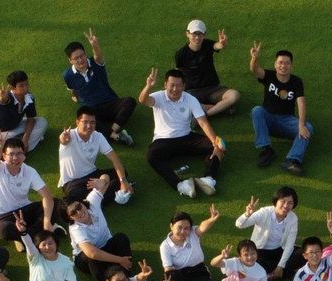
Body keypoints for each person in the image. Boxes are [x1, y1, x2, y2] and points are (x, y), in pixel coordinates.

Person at [139, 68, 224, 198]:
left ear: (184, 86)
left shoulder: (190, 99)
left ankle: (208, 179)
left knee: (218, 147)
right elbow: (142, 100)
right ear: (165, 85)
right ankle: (181, 185)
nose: (175, 89)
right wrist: (148, 86)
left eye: (178, 85)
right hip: (163, 140)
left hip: (187, 137)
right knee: (152, 156)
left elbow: (203, 122)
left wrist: (214, 141)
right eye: (172, 85)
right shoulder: (158, 96)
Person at [63, 29, 136, 144]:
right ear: (70, 60)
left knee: (130, 102)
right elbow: (73, 89)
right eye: (76, 58)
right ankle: (117, 136)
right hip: (93, 110)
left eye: (82, 55)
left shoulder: (95, 63)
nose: (80, 60)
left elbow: (98, 56)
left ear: (85, 54)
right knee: (84, 120)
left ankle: (112, 132)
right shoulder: (68, 75)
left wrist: (95, 45)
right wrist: (75, 97)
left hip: (110, 103)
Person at [249, 44, 312, 175]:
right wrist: (254, 58)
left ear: (291, 66)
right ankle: (266, 150)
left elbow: (301, 102)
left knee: (308, 127)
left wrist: (301, 125)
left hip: (286, 121)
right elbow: (255, 70)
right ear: (275, 64)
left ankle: (292, 160)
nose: (283, 66)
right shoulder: (269, 75)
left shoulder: (296, 82)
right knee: (257, 110)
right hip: (268, 119)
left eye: (287, 63)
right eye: (280, 62)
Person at [0, 137, 57, 249]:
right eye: (11, 154)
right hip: (3, 217)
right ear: (4, 156)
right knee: (5, 230)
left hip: (24, 210)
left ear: (24, 155)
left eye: (19, 153)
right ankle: (40, 235)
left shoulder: (30, 171)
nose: (15, 158)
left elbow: (47, 196)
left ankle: (25, 237)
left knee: (56, 204)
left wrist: (47, 221)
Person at [58, 106, 133, 205]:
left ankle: (101, 190)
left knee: (122, 173)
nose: (89, 126)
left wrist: (123, 181)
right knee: (76, 195)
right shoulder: (69, 136)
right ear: (77, 122)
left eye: (92, 122)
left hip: (93, 175)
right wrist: (64, 139)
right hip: (73, 182)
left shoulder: (98, 136)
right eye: (85, 122)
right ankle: (108, 190)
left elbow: (114, 158)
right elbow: (63, 140)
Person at [66, 181, 132, 281]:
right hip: (86, 259)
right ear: (70, 218)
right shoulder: (75, 228)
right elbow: (92, 253)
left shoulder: (92, 202)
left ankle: (125, 278)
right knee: (92, 259)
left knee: (121, 238)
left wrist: (100, 181)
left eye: (78, 207)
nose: (79, 212)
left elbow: (105, 179)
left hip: (105, 244)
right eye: (73, 212)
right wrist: (120, 260)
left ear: (82, 203)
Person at [234, 186, 301, 280]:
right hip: (260, 251)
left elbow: (290, 244)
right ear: (276, 201)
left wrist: (280, 266)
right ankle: (282, 273)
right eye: (283, 201)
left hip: (279, 249)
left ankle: (274, 272)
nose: (286, 206)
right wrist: (247, 214)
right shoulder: (264, 213)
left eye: (290, 203)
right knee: (254, 264)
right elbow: (239, 225)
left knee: (303, 253)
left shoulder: (293, 218)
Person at [175, 20, 240, 116]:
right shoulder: (181, 54)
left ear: (204, 35)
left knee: (234, 95)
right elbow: (178, 73)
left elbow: (217, 46)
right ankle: (221, 109)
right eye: (194, 34)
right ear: (187, 34)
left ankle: (207, 114)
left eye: (200, 34)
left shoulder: (207, 44)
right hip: (193, 91)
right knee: (181, 102)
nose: (197, 37)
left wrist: (222, 44)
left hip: (212, 89)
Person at [160, 209, 221, 281]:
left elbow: (202, 227)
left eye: (186, 228)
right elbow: (168, 269)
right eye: (179, 227)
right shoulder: (165, 246)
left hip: (200, 272)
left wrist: (212, 219)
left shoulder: (193, 234)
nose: (183, 231)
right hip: (181, 275)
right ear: (171, 226)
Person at [0, 71, 48, 153]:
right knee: (2, 148)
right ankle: (19, 148)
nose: (26, 88)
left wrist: (25, 138)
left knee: (42, 122)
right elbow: (3, 101)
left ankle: (19, 146)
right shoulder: (7, 98)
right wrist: (2, 98)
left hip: (15, 127)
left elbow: (31, 119)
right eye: (21, 86)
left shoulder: (29, 97)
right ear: (12, 87)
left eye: (26, 84)